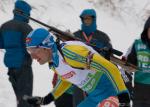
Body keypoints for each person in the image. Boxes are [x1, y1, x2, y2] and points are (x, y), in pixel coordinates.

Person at [24, 28, 130, 107]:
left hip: (112, 93)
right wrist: (46, 99)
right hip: (94, 97)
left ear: (46, 46)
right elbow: (66, 78)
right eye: (29, 52)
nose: (32, 56)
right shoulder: (55, 62)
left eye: (34, 50)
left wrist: (123, 94)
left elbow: (109, 67)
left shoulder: (71, 53)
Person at [52, 9, 113, 107]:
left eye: (89, 19)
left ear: (94, 19)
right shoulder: (75, 35)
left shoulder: (103, 37)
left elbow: (110, 58)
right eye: (84, 19)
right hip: (79, 78)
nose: (86, 21)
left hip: (95, 77)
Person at [0, 1, 33, 107]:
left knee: (19, 98)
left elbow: (1, 44)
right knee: (26, 99)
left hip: (11, 68)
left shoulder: (4, 26)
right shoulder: (26, 27)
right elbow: (32, 48)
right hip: (23, 67)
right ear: (26, 12)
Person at [127, 16, 150, 107]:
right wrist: (128, 85)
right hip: (139, 92)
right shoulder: (137, 44)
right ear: (146, 29)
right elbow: (127, 67)